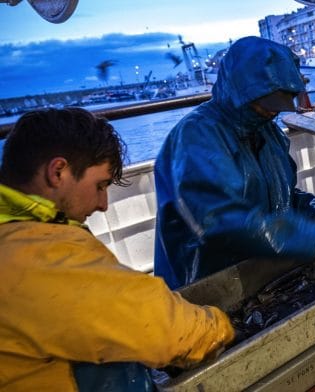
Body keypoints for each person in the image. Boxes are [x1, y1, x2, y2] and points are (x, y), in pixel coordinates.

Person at [0, 108, 234, 391]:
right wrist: (222, 327)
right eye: (100, 185)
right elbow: (165, 330)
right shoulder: (33, 256)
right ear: (58, 171)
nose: (103, 204)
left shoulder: (19, 227)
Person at [154, 36, 315, 289]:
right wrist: (312, 239)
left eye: (283, 98)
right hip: (204, 284)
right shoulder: (196, 136)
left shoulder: (269, 132)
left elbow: (283, 194)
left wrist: (314, 211)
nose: (274, 110)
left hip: (259, 273)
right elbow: (219, 221)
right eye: (267, 99)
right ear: (240, 89)